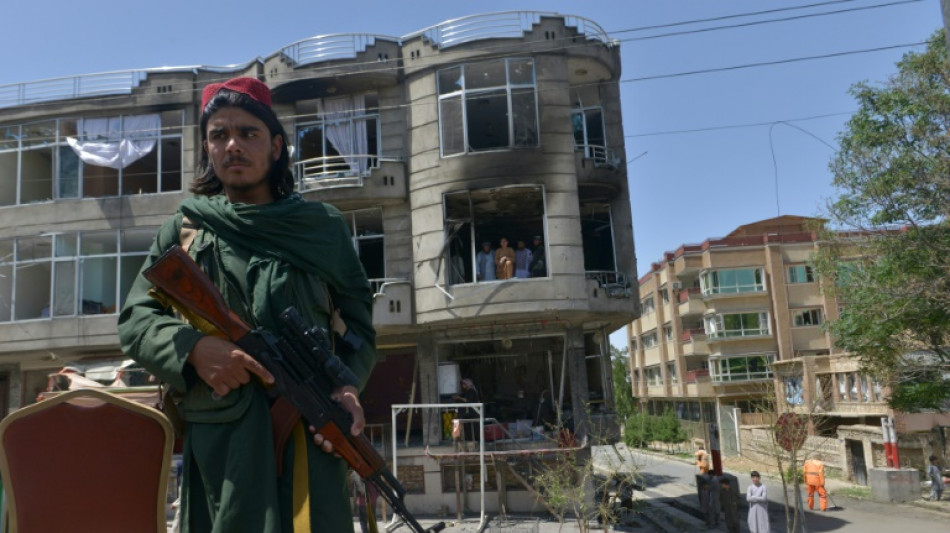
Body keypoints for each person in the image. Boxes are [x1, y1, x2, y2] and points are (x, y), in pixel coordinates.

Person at [118, 77, 377, 533]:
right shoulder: (185, 229)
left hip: (311, 436)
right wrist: (194, 350)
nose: (233, 145)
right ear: (207, 149)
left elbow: (357, 328)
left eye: (248, 133)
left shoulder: (321, 229)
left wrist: (348, 387)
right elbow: (137, 318)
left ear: (276, 146)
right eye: (219, 134)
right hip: (224, 445)